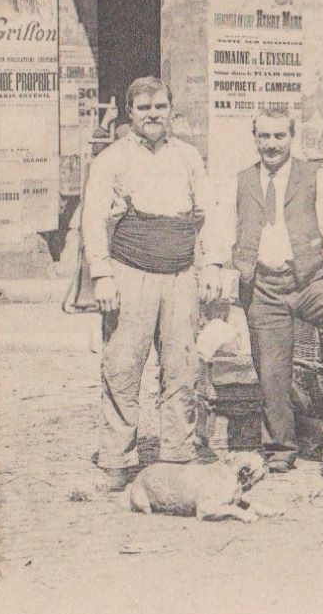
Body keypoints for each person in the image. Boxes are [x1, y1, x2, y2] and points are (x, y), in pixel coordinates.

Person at [220, 105, 323, 473]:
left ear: (291, 138)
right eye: (264, 136)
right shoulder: (241, 180)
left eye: (279, 136)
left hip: (309, 281)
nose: (271, 144)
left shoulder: (312, 177)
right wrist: (219, 269)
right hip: (263, 287)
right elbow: (221, 229)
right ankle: (280, 447)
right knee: (272, 370)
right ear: (255, 138)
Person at [83, 77, 221, 482]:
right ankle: (116, 459)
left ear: (170, 110)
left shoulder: (189, 157)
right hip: (130, 273)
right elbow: (92, 221)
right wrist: (102, 275)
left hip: (180, 275)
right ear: (130, 113)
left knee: (181, 367)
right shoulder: (110, 160)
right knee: (122, 367)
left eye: (160, 107)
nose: (153, 115)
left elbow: (208, 212)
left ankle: (177, 455)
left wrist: (211, 264)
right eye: (144, 109)